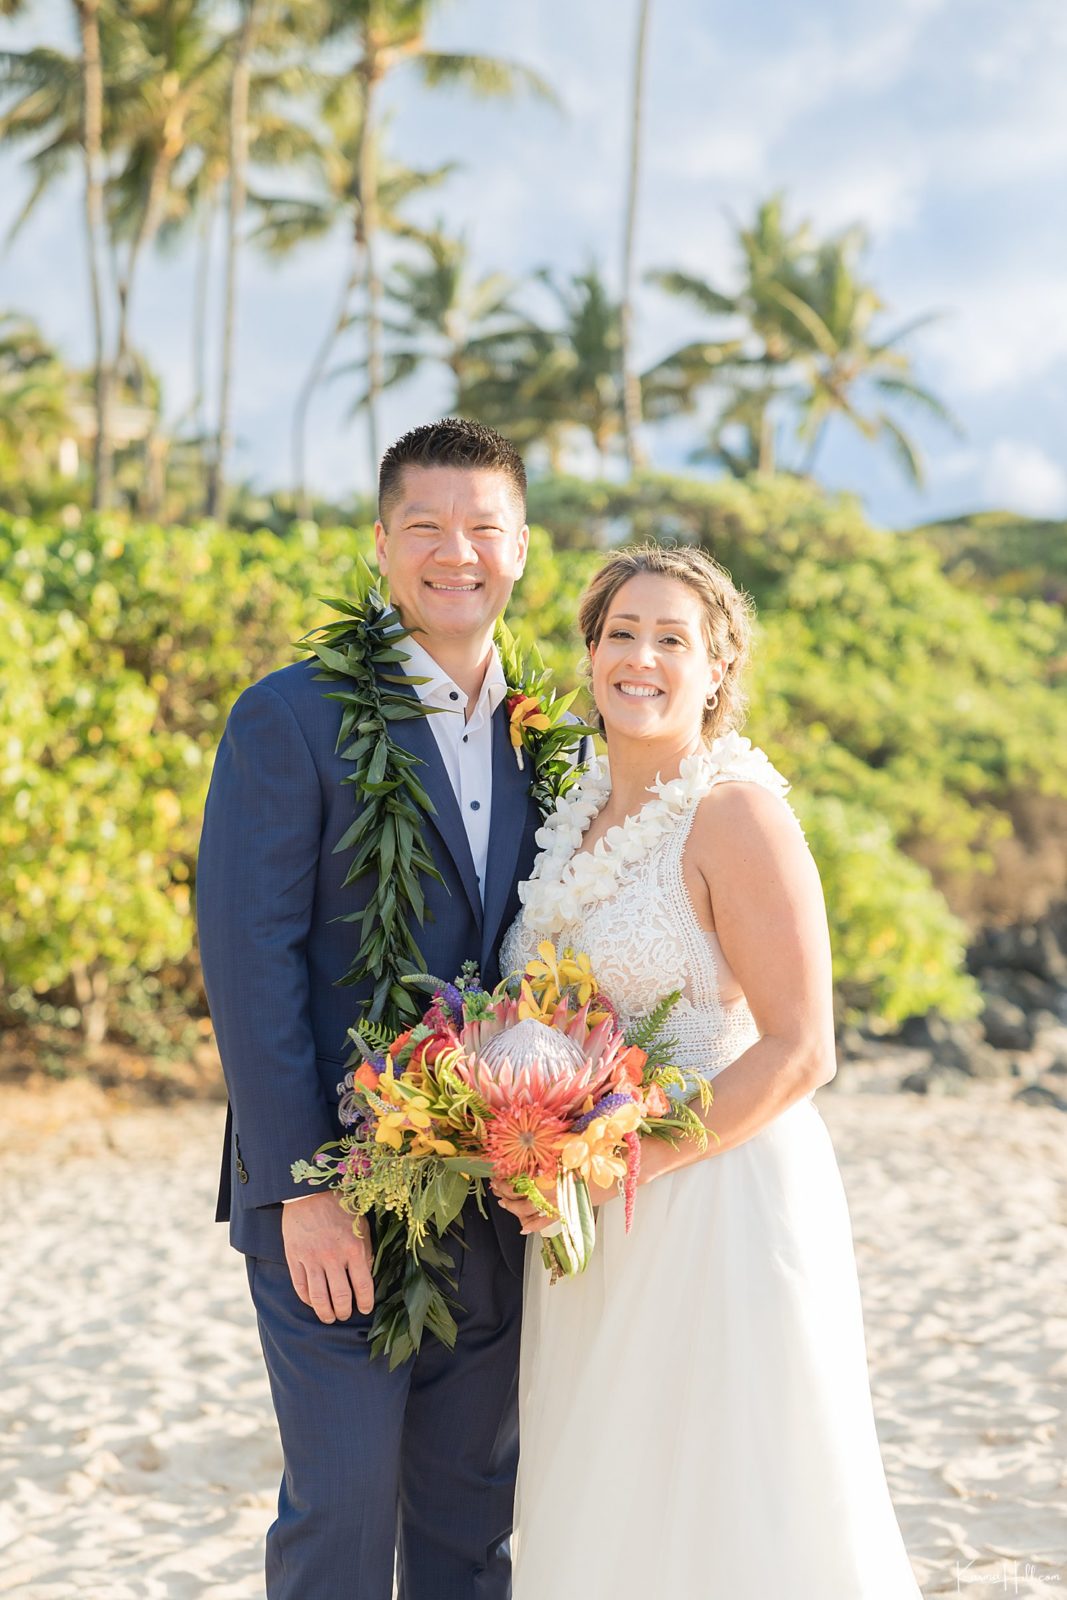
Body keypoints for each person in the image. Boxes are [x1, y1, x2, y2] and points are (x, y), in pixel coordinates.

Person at [495, 544, 924, 1599]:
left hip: (715, 1193)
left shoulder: (733, 814)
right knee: (608, 1489)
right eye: (620, 633)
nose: (641, 657)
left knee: (729, 1495)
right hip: (591, 1221)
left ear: (716, 670)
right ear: (589, 654)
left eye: (671, 639)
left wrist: (626, 1154)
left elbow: (801, 1046)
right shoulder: (568, 815)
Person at [197, 418, 553, 1600]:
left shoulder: (544, 740)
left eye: (483, 529)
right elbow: (248, 959)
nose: (456, 552)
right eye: (425, 527)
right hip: (332, 1196)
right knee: (342, 1512)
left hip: (488, 1200)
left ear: (521, 549)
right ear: (381, 543)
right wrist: (299, 1187)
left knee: (468, 1527)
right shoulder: (287, 717)